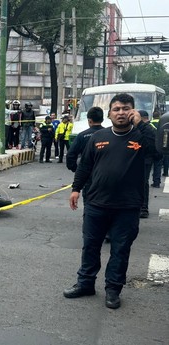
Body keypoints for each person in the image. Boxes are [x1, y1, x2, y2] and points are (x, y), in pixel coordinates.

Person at [64, 93, 157, 309]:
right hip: (96, 204)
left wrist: (141, 125)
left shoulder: (141, 138)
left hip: (128, 207)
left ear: (133, 112)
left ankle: (113, 289)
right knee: (90, 246)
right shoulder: (98, 138)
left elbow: (158, 152)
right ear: (109, 114)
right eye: (116, 109)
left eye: (126, 108)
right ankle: (85, 283)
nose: (121, 112)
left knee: (120, 249)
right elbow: (85, 166)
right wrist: (76, 189)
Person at [138, 110, 161, 218]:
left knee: (142, 183)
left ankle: (143, 208)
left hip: (145, 159)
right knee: (143, 183)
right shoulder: (149, 127)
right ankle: (142, 207)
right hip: (146, 159)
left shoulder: (147, 128)